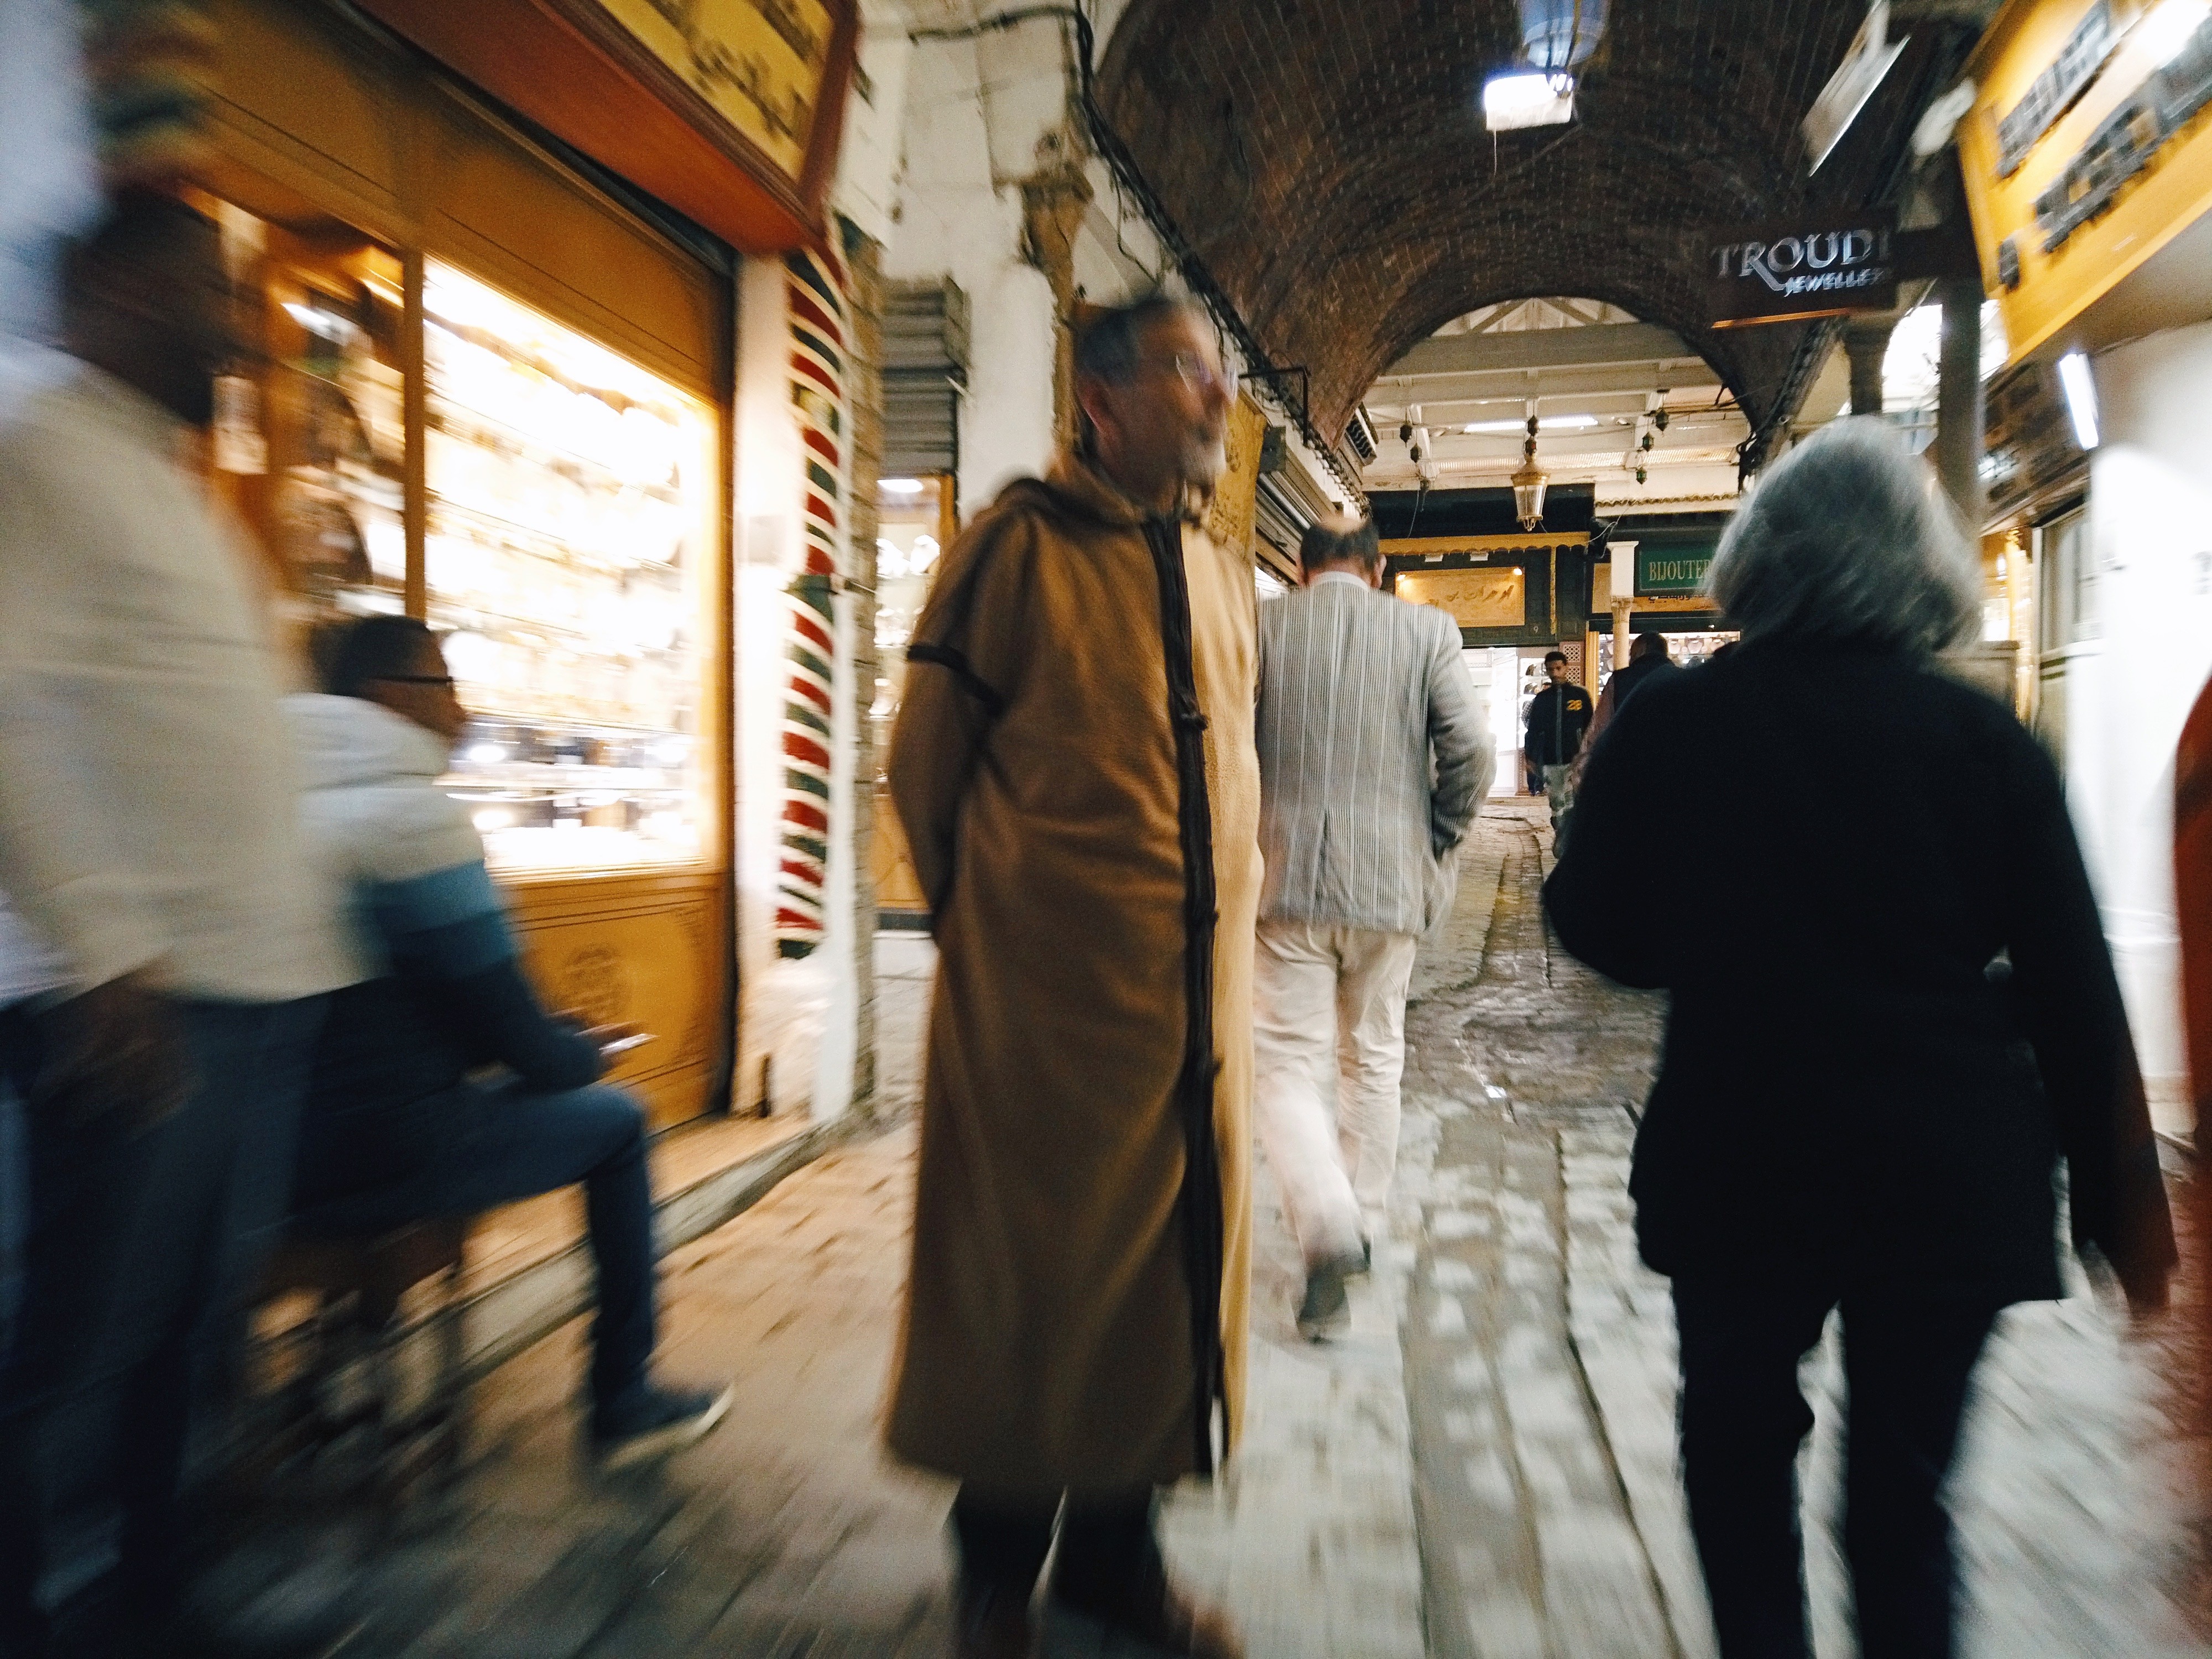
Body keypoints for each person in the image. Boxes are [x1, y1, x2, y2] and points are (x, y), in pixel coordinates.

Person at [1543, 419, 2177, 1659]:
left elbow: (1595, 926)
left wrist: (1719, 941)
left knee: (1733, 1461)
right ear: (1918, 567)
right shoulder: (1987, 745)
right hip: (1944, 1172)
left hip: (1742, 1153)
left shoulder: (1673, 724)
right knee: (1903, 1498)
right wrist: (2119, 1205)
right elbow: (2069, 981)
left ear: (1757, 561)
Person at [0, 190, 352, 1657]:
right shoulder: (45, 461)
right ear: (115, 299)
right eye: (205, 293)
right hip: (144, 1002)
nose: (235, 325)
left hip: (247, 994)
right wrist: (105, 949)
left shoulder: (172, 479)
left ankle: (156, 1607)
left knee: (185, 1351)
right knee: (86, 1359)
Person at [884, 291, 1260, 1659]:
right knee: (1022, 1295)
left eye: (1217, 375)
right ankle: (995, 1575)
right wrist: (1002, 939)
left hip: (1191, 1035)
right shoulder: (1011, 552)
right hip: (1039, 1033)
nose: (1216, 396)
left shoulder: (1221, 573)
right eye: (1184, 371)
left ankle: (1115, 1567)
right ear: (1099, 401)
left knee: (1158, 1308)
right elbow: (921, 777)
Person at [285, 615, 731, 1468]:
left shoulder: (272, 805)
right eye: (443, 687)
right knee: (617, 1123)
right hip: (390, 1153)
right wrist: (585, 1055)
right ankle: (623, 1399)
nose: (461, 713)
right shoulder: (416, 824)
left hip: (273, 1154)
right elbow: (516, 1039)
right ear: (388, 697)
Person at [1251, 515, 1491, 1338]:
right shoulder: (1428, 630)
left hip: (1281, 882)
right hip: (1391, 888)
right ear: (1379, 570)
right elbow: (1471, 750)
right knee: (1374, 1057)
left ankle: (1326, 1225)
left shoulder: (1263, 626)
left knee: (1284, 1063)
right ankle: (1362, 1223)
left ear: (1298, 564)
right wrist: (1437, 837)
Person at [1521, 648, 1590, 841]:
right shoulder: (1542, 700)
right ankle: (1561, 835)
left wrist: (1588, 754)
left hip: (1574, 759)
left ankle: (1568, 842)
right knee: (1557, 802)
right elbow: (1533, 731)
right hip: (1550, 760)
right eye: (1551, 670)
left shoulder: (1580, 696)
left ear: (1566, 668)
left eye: (1559, 668)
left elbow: (1590, 726)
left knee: (1572, 801)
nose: (1555, 674)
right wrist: (1531, 758)